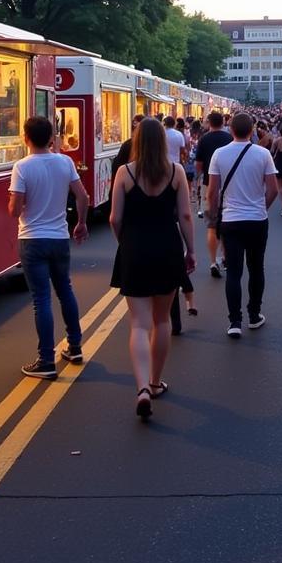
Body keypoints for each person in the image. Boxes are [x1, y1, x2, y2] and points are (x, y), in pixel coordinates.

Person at [110, 118, 196, 420]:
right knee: (162, 321)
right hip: (168, 248)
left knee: (139, 323)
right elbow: (185, 215)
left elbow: (114, 218)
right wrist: (191, 250)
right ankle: (156, 382)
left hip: (135, 249)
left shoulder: (124, 173)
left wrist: (125, 242)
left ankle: (142, 388)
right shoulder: (176, 173)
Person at [8, 116, 89, 380]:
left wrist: (14, 204)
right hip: (59, 238)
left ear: (25, 138)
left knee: (41, 299)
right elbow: (83, 196)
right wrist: (81, 223)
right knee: (65, 290)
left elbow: (15, 209)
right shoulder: (65, 162)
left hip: (32, 239)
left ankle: (46, 360)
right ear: (52, 137)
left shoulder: (22, 167)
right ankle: (74, 346)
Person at [207, 113, 277, 338]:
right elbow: (273, 189)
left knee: (234, 272)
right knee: (257, 268)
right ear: (252, 130)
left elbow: (212, 191)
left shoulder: (219, 154)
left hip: (231, 220)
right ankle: (254, 315)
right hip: (257, 219)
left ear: (230, 129)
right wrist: (262, 207)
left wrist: (215, 215)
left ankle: (234, 321)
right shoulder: (263, 154)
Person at [195, 111, 233, 275]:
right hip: (228, 186)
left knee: (211, 225)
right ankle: (225, 257)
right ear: (223, 122)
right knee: (226, 223)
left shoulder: (204, 139)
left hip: (208, 184)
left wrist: (202, 175)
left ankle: (212, 261)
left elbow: (198, 165)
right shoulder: (229, 139)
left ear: (209, 123)